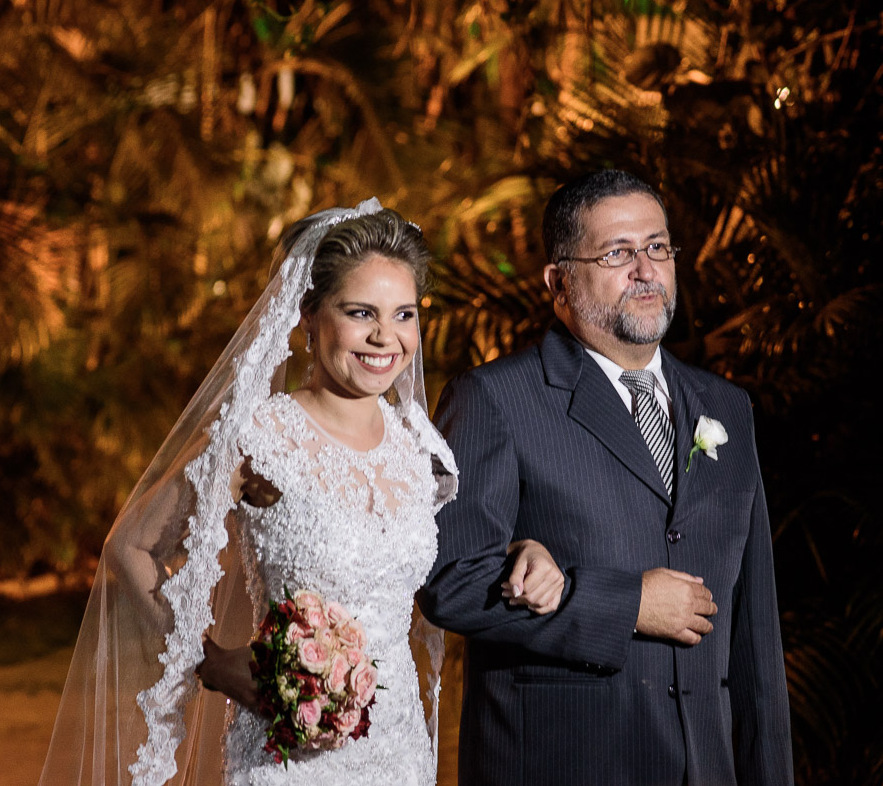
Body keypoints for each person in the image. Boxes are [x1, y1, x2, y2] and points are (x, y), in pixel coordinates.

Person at [37, 198, 559, 786]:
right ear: (308, 315)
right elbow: (131, 546)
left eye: (405, 314)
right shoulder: (258, 436)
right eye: (361, 312)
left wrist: (527, 550)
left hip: (399, 752)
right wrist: (209, 662)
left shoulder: (418, 445)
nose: (386, 337)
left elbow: (457, 563)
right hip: (285, 757)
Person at [419, 170, 793, 786]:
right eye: (618, 253)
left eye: (657, 247)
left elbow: (755, 638)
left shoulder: (727, 408)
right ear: (559, 282)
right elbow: (449, 582)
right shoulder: (495, 399)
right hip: (566, 762)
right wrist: (627, 605)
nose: (646, 270)